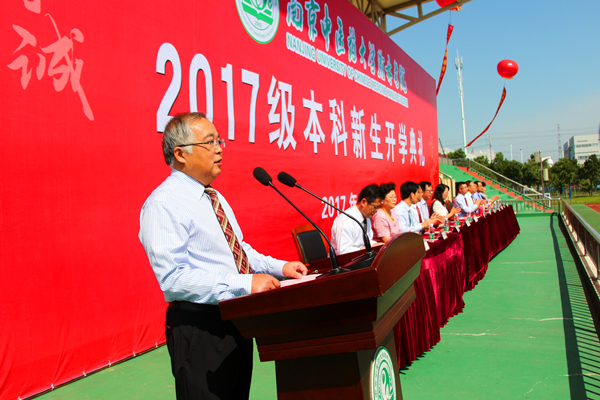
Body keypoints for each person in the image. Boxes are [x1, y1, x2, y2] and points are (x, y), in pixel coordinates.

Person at [139, 112, 308, 400]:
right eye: (210, 142)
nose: (219, 149)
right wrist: (245, 284)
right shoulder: (164, 203)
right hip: (200, 328)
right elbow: (173, 279)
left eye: (219, 141)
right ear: (180, 154)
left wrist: (281, 267)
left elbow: (239, 251)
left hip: (236, 321)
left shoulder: (213, 197)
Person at [331, 184, 382, 255]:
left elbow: (368, 240)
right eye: (375, 207)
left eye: (378, 208)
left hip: (362, 257)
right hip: (344, 260)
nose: (376, 211)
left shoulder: (366, 217)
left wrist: (378, 245)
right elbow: (343, 252)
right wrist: (367, 249)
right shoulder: (345, 220)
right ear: (363, 202)